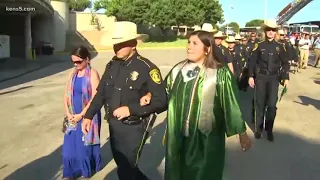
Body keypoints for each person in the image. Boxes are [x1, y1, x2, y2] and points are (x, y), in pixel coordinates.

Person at [147, 30, 251, 180]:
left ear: (207, 49)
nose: (189, 47)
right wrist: (149, 96)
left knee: (204, 172)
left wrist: (241, 132)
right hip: (178, 135)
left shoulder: (220, 73)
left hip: (206, 137)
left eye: (195, 43)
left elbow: (231, 103)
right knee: (178, 170)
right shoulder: (178, 70)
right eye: (188, 42)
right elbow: (164, 94)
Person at [81, 21, 167, 180]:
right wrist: (88, 116)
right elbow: (101, 94)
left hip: (133, 128)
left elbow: (161, 101)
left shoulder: (147, 68)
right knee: (124, 166)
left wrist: (131, 109)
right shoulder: (112, 65)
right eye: (115, 44)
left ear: (133, 44)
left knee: (126, 169)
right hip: (114, 126)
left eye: (120, 44)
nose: (116, 48)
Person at [62, 46, 101, 179]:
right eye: (73, 62)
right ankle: (70, 172)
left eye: (78, 62)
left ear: (87, 60)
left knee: (83, 148)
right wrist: (68, 112)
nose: (75, 64)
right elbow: (66, 94)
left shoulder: (93, 74)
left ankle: (86, 170)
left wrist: (82, 114)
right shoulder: (72, 74)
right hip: (72, 116)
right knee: (68, 149)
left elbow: (95, 97)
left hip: (87, 116)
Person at [248, 19, 289, 142]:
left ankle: (269, 130)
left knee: (271, 105)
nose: (270, 32)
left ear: (275, 32)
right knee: (260, 104)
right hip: (261, 78)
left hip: (273, 78)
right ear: (265, 32)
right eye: (268, 30)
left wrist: (286, 77)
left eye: (273, 30)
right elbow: (252, 62)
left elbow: (286, 63)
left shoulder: (280, 47)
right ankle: (258, 129)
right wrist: (251, 76)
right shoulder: (259, 46)